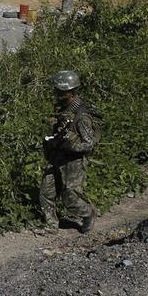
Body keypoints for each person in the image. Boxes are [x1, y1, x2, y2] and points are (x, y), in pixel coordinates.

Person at [38, 70, 96, 233]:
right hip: (57, 157)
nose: (56, 94)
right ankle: (51, 225)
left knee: (70, 196)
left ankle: (88, 214)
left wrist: (69, 144)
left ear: (70, 93)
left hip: (73, 161)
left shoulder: (81, 116)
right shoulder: (63, 109)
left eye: (60, 92)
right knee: (46, 191)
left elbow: (88, 145)